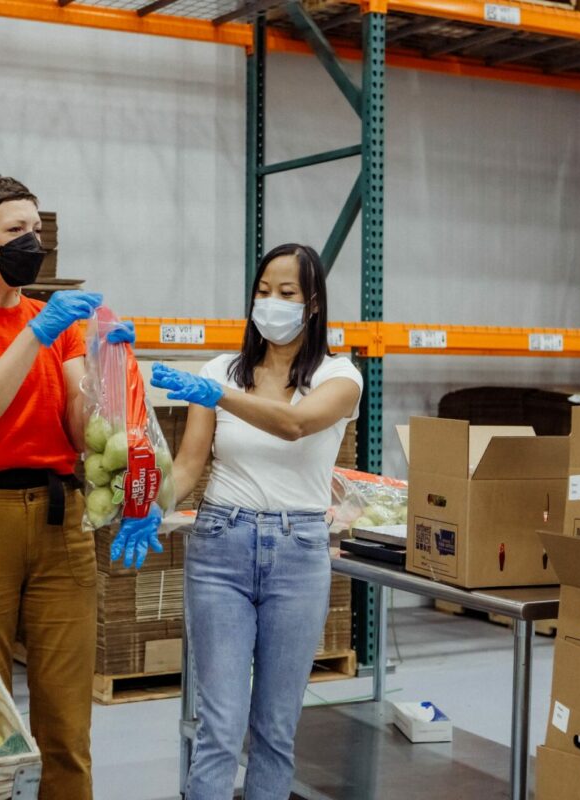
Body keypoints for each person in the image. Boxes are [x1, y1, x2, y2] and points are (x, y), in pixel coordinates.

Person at [0, 175, 153, 800]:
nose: (31, 243)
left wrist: (107, 368)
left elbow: (80, 424)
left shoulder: (58, 321)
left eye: (36, 230)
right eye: (15, 231)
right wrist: (32, 337)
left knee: (67, 724)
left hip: (61, 519)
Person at [151, 243, 362, 800]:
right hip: (221, 545)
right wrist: (149, 507)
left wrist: (216, 394)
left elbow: (294, 425)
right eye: (262, 291)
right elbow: (191, 462)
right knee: (219, 725)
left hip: (299, 553)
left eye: (286, 293)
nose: (271, 303)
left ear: (312, 303)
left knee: (274, 729)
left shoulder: (341, 378)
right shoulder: (220, 370)